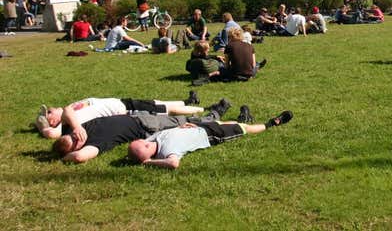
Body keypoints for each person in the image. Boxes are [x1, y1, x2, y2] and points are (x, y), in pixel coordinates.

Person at [52, 100, 230, 164]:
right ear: (76, 148)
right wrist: (64, 157)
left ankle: (206, 111)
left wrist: (76, 127)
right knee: (184, 123)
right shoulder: (93, 144)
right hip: (146, 127)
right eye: (75, 141)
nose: (77, 137)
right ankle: (215, 115)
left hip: (136, 115)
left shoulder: (77, 128)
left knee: (173, 115)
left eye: (71, 136)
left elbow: (67, 109)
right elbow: (78, 158)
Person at [127, 109, 293, 169]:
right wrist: (148, 162)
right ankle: (272, 123)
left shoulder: (155, 140)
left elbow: (160, 135)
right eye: (143, 143)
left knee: (229, 122)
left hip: (199, 127)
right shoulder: (167, 151)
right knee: (244, 129)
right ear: (147, 150)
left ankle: (243, 119)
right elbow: (173, 163)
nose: (145, 139)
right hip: (212, 136)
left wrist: (180, 128)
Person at [35, 94, 203, 139]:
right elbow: (51, 133)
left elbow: (66, 109)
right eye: (49, 115)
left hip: (121, 102)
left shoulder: (71, 109)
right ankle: (200, 108)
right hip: (126, 110)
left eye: (49, 111)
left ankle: (188, 101)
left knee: (159, 103)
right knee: (165, 109)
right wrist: (44, 125)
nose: (51, 111)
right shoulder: (67, 121)